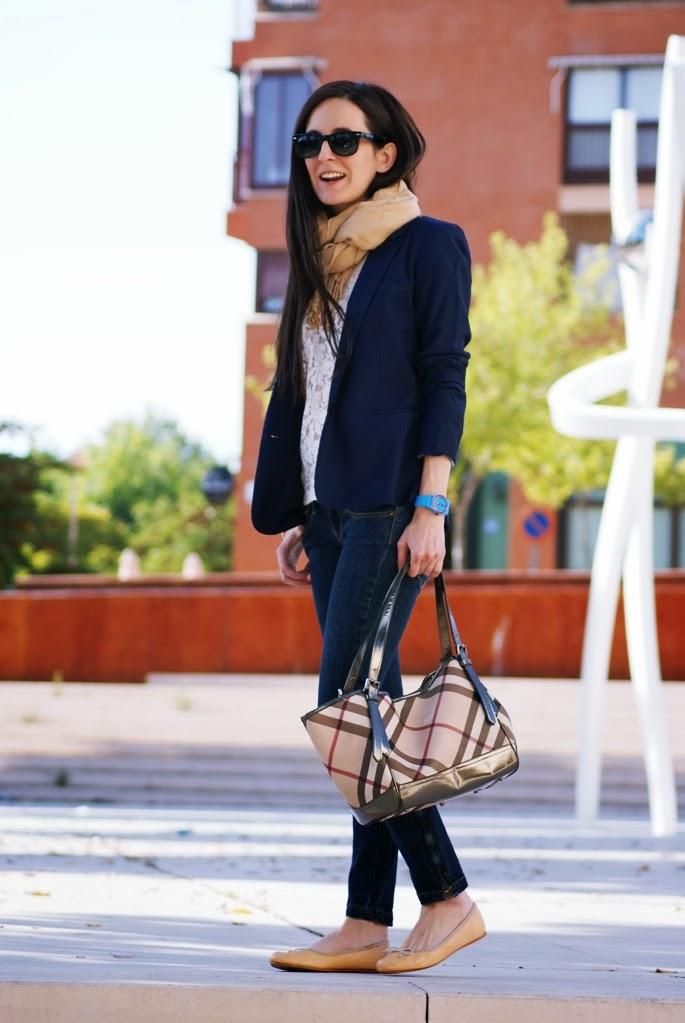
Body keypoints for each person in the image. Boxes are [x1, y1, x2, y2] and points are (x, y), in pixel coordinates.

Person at [250, 79, 485, 975]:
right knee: (367, 709)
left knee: (348, 706)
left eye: (344, 141)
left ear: (385, 153)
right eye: (311, 143)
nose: (324, 157)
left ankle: (448, 897)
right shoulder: (317, 256)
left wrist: (431, 504)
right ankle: (362, 920)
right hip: (332, 510)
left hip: (392, 507)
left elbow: (442, 375)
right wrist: (306, 506)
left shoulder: (428, 245)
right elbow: (310, 390)